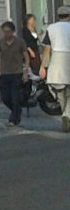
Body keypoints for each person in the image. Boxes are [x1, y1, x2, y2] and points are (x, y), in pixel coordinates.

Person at [40, 7, 70, 135]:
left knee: (60, 92)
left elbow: (46, 48)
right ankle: (67, 114)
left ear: (58, 15)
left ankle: (65, 113)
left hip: (56, 60)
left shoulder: (50, 28)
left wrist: (42, 66)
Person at [0, 20, 27, 128]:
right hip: (4, 73)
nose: (6, 34)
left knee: (15, 97)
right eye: (4, 32)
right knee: (5, 97)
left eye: (8, 32)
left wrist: (25, 71)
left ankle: (13, 119)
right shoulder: (0, 42)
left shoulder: (20, 42)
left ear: (13, 32)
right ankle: (17, 110)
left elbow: (26, 56)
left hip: (16, 73)